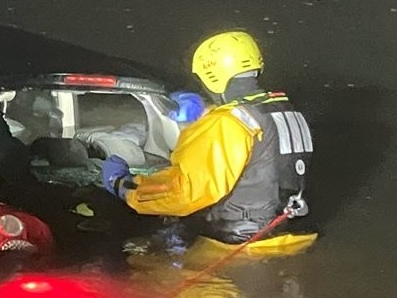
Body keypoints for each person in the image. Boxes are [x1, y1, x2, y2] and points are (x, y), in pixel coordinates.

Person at [102, 30, 317, 254]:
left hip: (240, 245)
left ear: (212, 76)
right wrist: (206, 110)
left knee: (140, 267)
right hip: (295, 236)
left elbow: (187, 192)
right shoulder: (288, 111)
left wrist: (126, 186)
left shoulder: (225, 124)